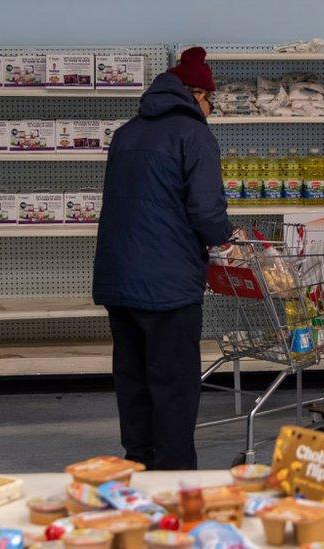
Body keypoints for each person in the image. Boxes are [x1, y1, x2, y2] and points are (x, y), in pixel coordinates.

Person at [92, 47, 232, 470]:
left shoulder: (127, 132)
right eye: (211, 100)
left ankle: (138, 462)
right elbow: (206, 212)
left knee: (132, 379)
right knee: (173, 383)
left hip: (119, 278)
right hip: (168, 284)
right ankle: (172, 474)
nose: (211, 109)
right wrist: (226, 238)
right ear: (196, 95)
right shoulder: (194, 135)